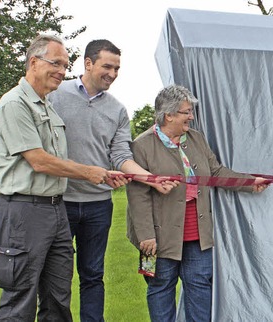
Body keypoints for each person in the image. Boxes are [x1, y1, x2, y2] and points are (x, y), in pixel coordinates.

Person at [0, 34, 118, 321]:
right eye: (56, 63)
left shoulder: (46, 104)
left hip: (55, 209)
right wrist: (89, 172)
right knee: (20, 298)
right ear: (34, 62)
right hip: (23, 211)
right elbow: (38, 160)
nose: (63, 71)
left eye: (65, 64)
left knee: (58, 297)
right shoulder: (14, 104)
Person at [47, 39, 172, 322]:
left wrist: (151, 179)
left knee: (92, 275)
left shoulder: (117, 110)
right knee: (56, 276)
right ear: (88, 63)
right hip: (58, 202)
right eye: (107, 66)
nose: (113, 74)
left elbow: (120, 156)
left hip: (98, 207)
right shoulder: (55, 96)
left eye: (117, 68)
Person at [126, 85, 268, 322]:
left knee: (200, 288)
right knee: (159, 287)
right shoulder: (141, 145)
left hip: (196, 234)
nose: (191, 117)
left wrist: (249, 182)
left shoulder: (195, 139)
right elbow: (137, 195)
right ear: (168, 115)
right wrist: (145, 236)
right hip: (155, 237)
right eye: (186, 112)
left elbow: (215, 171)